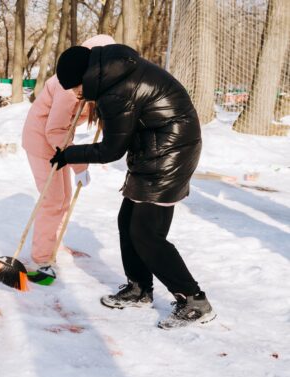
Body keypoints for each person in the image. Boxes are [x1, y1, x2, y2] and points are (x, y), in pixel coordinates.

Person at [51, 43, 215, 329]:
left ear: (85, 76)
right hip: (155, 150)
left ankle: (194, 300)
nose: (75, 93)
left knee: (147, 234)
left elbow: (111, 150)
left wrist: (69, 155)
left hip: (170, 154)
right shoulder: (115, 73)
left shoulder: (116, 91)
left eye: (75, 86)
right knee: (127, 221)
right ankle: (139, 288)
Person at [21, 34, 114, 280]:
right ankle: (41, 258)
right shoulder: (70, 85)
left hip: (58, 143)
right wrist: (80, 166)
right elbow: (55, 130)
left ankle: (53, 243)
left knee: (62, 199)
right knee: (53, 200)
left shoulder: (91, 84)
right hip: (42, 142)